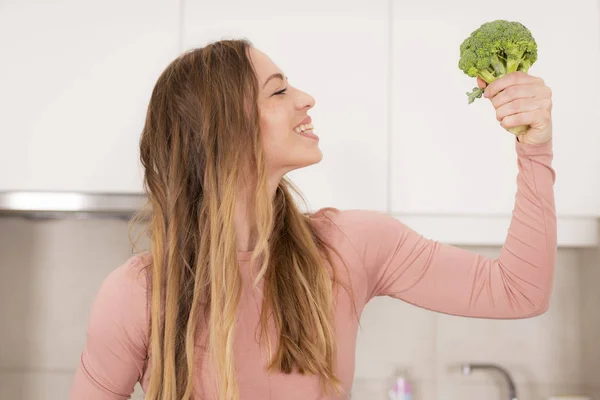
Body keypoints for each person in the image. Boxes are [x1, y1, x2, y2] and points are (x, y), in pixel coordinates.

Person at [68, 39, 556, 400]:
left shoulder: (350, 245)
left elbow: (519, 290)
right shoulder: (139, 293)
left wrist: (535, 148)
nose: (306, 98)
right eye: (278, 91)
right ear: (225, 131)